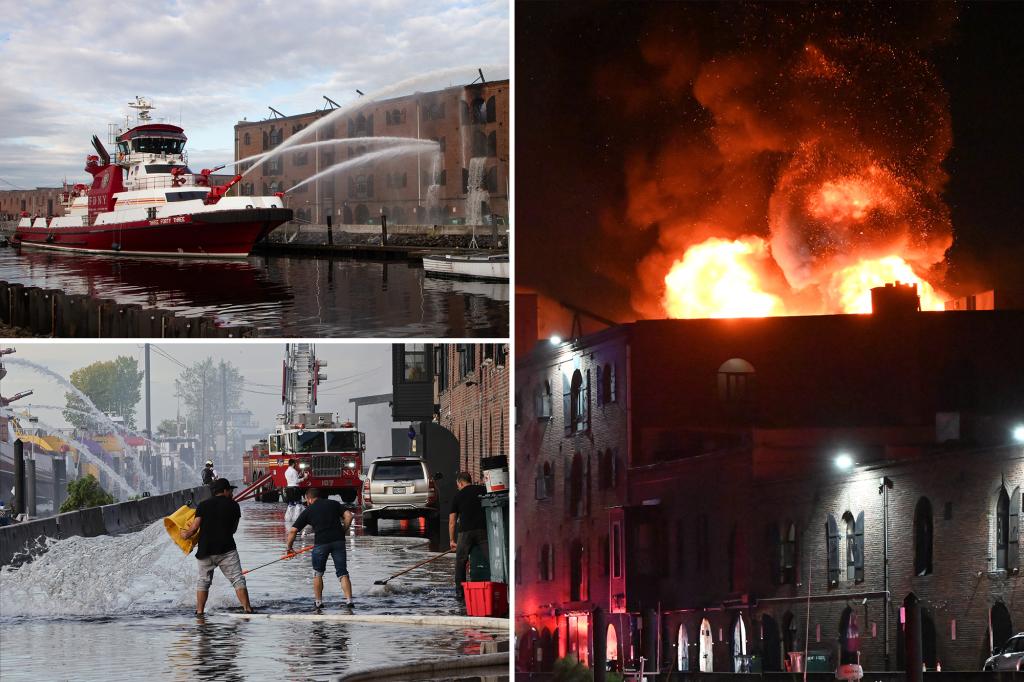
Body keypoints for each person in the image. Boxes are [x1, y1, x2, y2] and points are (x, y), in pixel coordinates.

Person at [180, 478, 253, 616]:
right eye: (230, 490)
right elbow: (233, 530)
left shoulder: (203, 505)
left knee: (203, 582)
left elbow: (194, 528)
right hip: (227, 550)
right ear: (225, 491)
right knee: (238, 579)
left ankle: (200, 611)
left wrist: (185, 535)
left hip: (205, 551)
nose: (232, 492)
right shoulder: (234, 506)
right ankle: (247, 609)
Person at [286, 488, 355, 609]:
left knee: (318, 573)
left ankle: (318, 603)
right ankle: (349, 601)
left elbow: (293, 531)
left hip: (321, 543)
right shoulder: (334, 504)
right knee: (342, 572)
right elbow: (349, 516)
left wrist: (289, 548)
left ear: (309, 499)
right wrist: (343, 530)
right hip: (338, 541)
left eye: (306, 500)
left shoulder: (309, 510)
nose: (306, 503)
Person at [449, 472, 488, 600]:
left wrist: (452, 540)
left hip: (465, 533)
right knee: (492, 559)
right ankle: (496, 587)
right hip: (483, 530)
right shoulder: (483, 489)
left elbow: (452, 521)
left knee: (460, 561)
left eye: (457, 485)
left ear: (460, 483)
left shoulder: (457, 496)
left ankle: (460, 593)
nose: (458, 488)